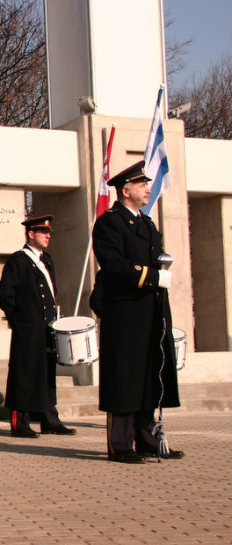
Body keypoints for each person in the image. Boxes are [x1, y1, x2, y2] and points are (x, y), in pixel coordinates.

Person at [91, 160, 184, 463]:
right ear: (125, 189)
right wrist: (153, 277)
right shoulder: (110, 222)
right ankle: (120, 444)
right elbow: (114, 264)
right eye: (142, 184)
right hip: (125, 312)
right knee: (125, 377)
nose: (147, 189)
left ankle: (148, 440)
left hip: (150, 311)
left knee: (147, 374)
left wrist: (162, 273)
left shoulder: (146, 223)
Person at [0, 215, 76, 438]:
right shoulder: (19, 260)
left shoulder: (47, 259)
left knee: (46, 373)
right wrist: (19, 320)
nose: (48, 235)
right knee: (24, 374)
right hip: (28, 328)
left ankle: (49, 419)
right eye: (43, 232)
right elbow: (5, 293)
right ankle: (20, 422)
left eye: (49, 232)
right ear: (31, 234)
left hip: (47, 327)